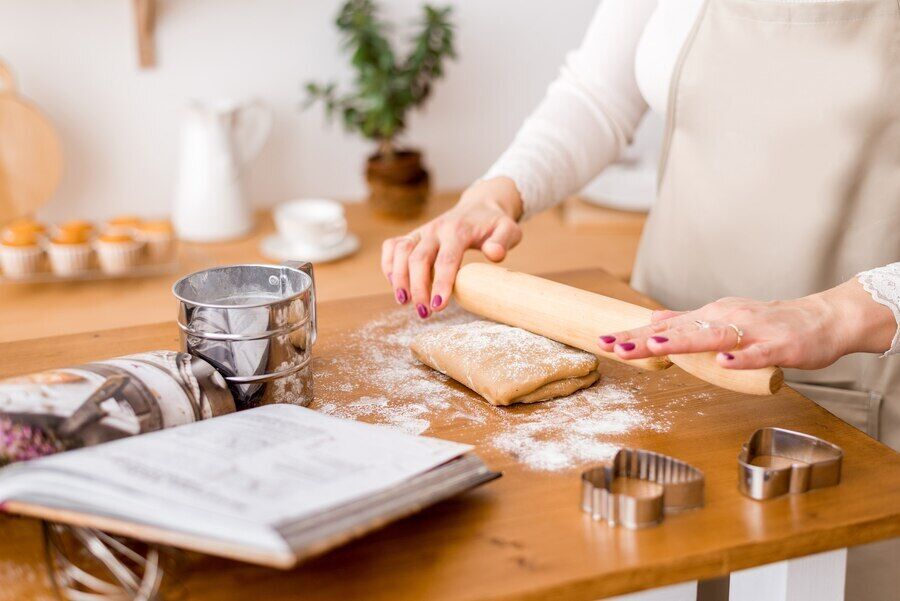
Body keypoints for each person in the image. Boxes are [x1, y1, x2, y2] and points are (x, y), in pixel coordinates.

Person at [381, 2, 899, 597]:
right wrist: (497, 193)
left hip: (850, 387)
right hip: (653, 363)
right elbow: (598, 94)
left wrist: (835, 314)